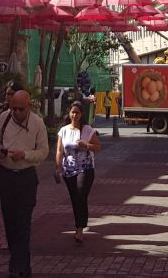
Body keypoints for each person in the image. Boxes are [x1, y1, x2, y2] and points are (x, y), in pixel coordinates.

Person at [0, 90, 48, 278]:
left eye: (20, 109)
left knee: (23, 222)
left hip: (26, 176)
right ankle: (22, 264)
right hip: (6, 176)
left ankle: (18, 267)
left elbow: (43, 151)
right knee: (10, 221)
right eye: (13, 108)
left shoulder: (38, 123)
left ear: (29, 106)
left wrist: (25, 155)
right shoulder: (4, 118)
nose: (16, 112)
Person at [55, 100, 101, 243]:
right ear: (69, 113)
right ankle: (79, 225)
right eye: (73, 112)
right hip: (69, 170)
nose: (75, 115)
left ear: (81, 115)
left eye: (77, 113)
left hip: (85, 169)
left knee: (81, 195)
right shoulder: (63, 130)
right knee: (75, 199)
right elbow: (59, 150)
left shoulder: (87, 130)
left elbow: (98, 147)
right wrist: (58, 168)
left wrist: (86, 145)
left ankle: (79, 229)